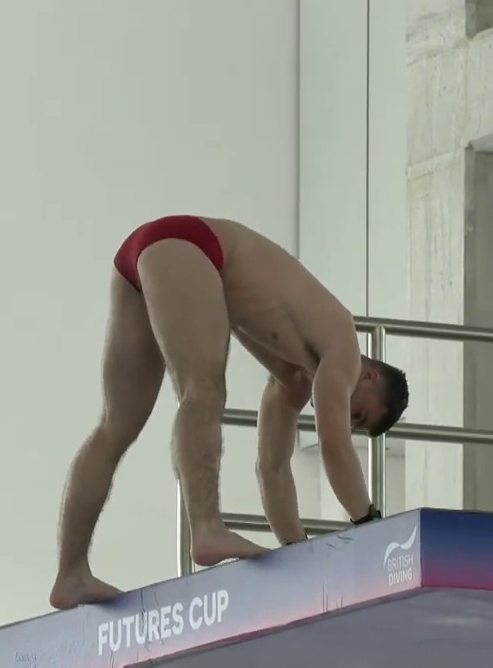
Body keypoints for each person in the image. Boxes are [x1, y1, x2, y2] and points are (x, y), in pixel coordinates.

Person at [48, 214, 410, 610]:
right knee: (203, 388)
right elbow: (334, 444)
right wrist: (368, 524)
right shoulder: (342, 342)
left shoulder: (291, 379)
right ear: (370, 376)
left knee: (116, 425)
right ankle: (205, 526)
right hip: (191, 246)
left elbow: (271, 467)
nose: (347, 419)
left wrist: (296, 551)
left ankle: (70, 574)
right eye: (359, 415)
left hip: (146, 253)